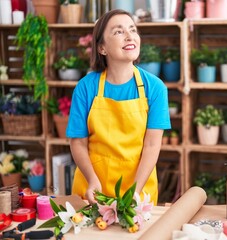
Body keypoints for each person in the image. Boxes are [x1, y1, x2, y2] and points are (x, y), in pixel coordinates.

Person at [66, 9, 171, 205]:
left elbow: (151, 145)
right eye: (118, 31)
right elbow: (78, 142)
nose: (130, 36)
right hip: (93, 190)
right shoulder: (86, 87)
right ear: (102, 48)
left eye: (132, 29)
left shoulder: (155, 88)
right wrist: (92, 180)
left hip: (137, 191)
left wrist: (135, 191)